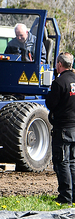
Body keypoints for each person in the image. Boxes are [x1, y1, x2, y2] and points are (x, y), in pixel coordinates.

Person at [46, 52, 75, 204]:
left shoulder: (59, 82)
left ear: (59, 64)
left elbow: (51, 104)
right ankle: (73, 195)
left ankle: (65, 197)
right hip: (74, 128)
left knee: (62, 162)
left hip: (63, 128)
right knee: (72, 162)